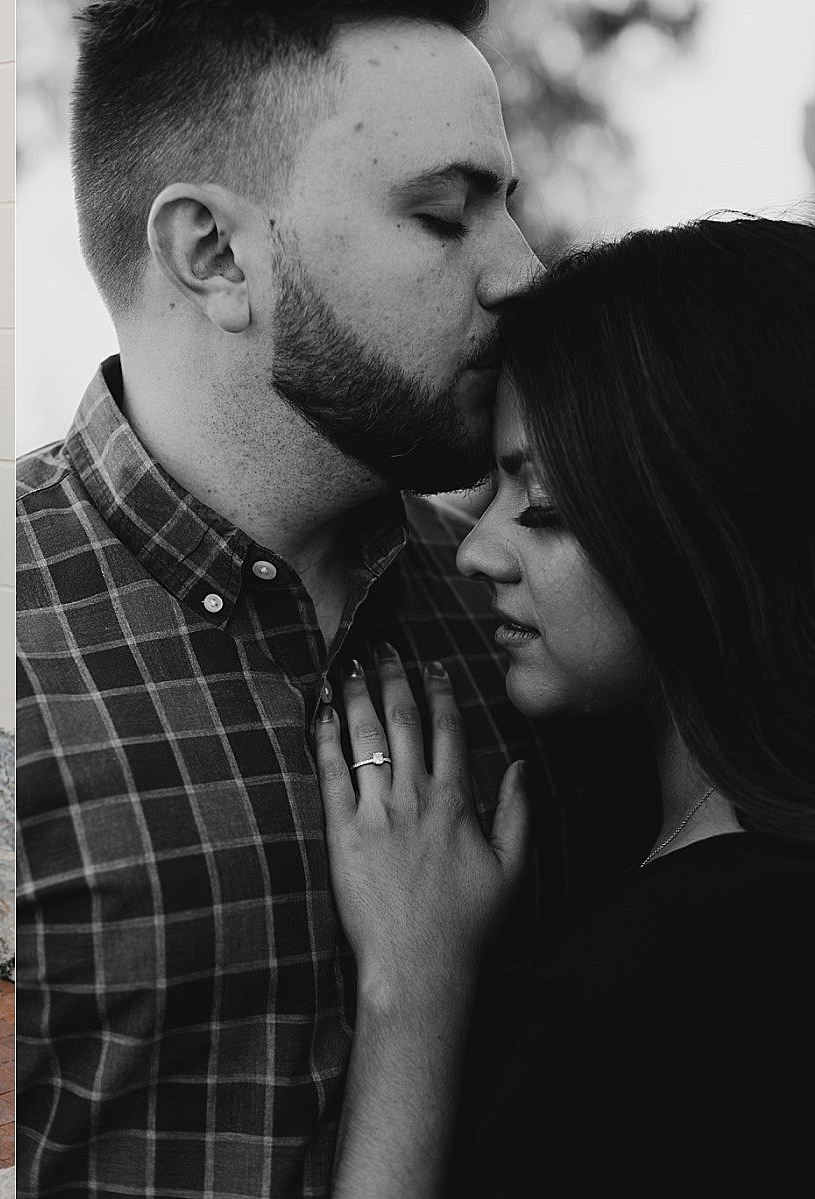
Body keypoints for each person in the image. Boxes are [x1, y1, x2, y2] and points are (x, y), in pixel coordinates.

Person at [15, 2, 650, 1194]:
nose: (520, 268)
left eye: (505, 203)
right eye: (442, 213)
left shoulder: (544, 624)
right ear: (213, 254)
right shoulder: (14, 660)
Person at [315, 215, 815, 1198]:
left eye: (540, 506)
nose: (474, 552)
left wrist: (411, 991)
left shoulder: (674, 981)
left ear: (711, 529)